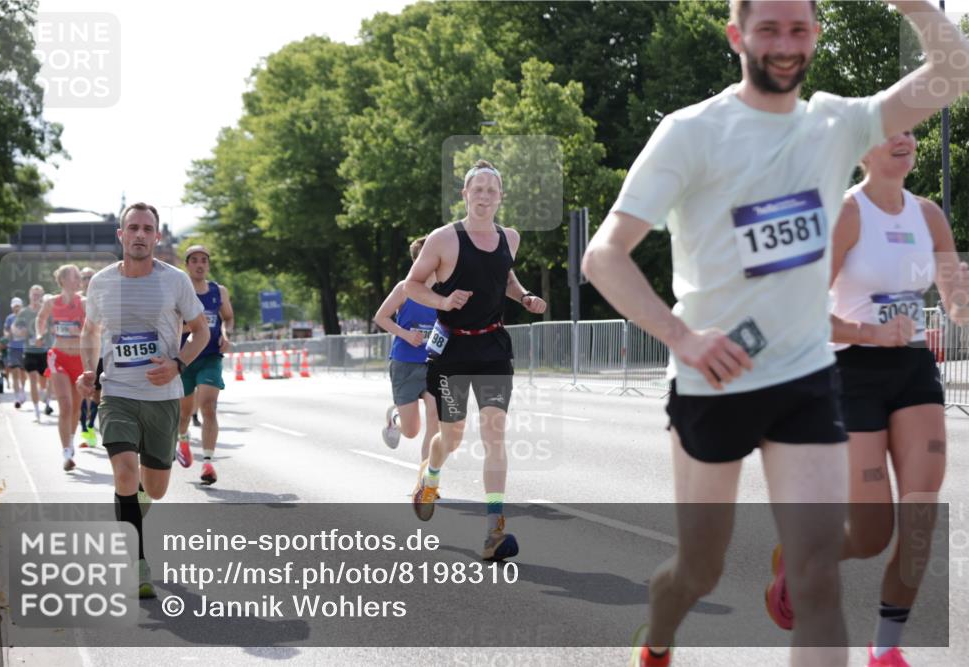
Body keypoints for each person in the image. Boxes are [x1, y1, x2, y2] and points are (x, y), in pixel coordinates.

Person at [580, 1, 969, 665]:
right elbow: (604, 257)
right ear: (737, 37)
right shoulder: (690, 132)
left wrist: (909, 3)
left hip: (806, 379)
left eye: (798, 29)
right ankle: (659, 637)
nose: (785, 45)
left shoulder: (837, 123)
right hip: (715, 378)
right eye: (769, 30)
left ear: (815, 34)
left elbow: (953, 73)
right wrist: (683, 337)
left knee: (817, 574)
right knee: (698, 570)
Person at [763, 131, 969, 667]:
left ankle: (886, 649)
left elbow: (956, 307)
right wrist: (870, 334)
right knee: (873, 534)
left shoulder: (929, 217)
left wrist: (963, 295)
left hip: (913, 370)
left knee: (921, 517)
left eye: (909, 130)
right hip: (851, 372)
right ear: (862, 153)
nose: (905, 139)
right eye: (888, 132)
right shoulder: (847, 215)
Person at [404, 160, 546, 561]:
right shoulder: (443, 239)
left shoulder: (509, 237)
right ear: (465, 195)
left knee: (495, 435)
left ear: (500, 196)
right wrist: (443, 301)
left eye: (491, 189)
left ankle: (494, 530)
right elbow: (413, 285)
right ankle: (430, 478)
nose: (484, 195)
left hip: (493, 349)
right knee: (451, 437)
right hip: (453, 352)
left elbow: (505, 278)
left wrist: (524, 297)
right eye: (477, 189)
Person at [78, 202, 208, 599]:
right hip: (117, 392)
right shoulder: (100, 282)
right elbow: (90, 330)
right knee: (123, 473)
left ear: (157, 237)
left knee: (155, 486)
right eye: (131, 227)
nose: (139, 234)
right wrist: (89, 370)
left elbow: (200, 333)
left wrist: (177, 364)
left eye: (146, 228)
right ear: (120, 235)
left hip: (163, 397)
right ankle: (136, 563)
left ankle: (133, 505)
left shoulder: (175, 281)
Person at [373, 236, 440, 460]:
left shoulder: (444, 291)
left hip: (433, 364)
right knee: (412, 431)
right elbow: (381, 317)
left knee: (435, 418)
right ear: (418, 261)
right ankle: (397, 422)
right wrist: (406, 334)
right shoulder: (405, 288)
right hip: (405, 363)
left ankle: (427, 480)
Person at [175, 244, 234, 486]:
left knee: (208, 406)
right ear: (187, 265)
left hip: (211, 356)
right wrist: (194, 327)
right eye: (194, 260)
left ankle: (208, 462)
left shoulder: (218, 291)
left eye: (204, 260)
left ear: (208, 265)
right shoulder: (179, 292)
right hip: (185, 357)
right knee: (184, 412)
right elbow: (170, 324)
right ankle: (183, 439)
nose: (200, 264)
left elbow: (228, 318)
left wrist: (225, 333)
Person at [37, 264, 87, 471]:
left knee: (76, 407)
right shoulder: (51, 302)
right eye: (75, 277)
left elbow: (97, 324)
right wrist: (39, 334)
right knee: (65, 405)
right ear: (64, 280)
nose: (79, 280)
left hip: (81, 361)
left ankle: (71, 440)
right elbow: (40, 319)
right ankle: (66, 451)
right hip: (58, 358)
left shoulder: (84, 303)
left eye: (79, 277)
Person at [16, 284, 54, 421]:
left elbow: (54, 327)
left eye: (39, 295)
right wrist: (21, 332)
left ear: (42, 296)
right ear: (30, 296)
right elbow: (17, 329)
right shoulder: (24, 312)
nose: (36, 297)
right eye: (34, 294)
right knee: (32, 378)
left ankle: (43, 394)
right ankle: (37, 410)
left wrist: (48, 331)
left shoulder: (47, 311)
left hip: (44, 350)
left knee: (43, 382)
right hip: (29, 350)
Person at [77, 267, 98, 448]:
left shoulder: (102, 299)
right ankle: (85, 431)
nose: (88, 280)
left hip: (98, 352)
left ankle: (91, 427)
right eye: (84, 277)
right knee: (84, 395)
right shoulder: (75, 300)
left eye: (91, 277)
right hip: (78, 352)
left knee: (97, 395)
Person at [4, 297, 27, 406]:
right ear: (12, 308)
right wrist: (8, 334)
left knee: (23, 373)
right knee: (15, 372)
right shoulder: (9, 318)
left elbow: (28, 331)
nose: (16, 308)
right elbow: (6, 331)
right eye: (14, 307)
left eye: (18, 306)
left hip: (24, 348)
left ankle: (22, 390)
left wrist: (22, 332)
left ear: (21, 306)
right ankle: (17, 397)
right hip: (13, 348)